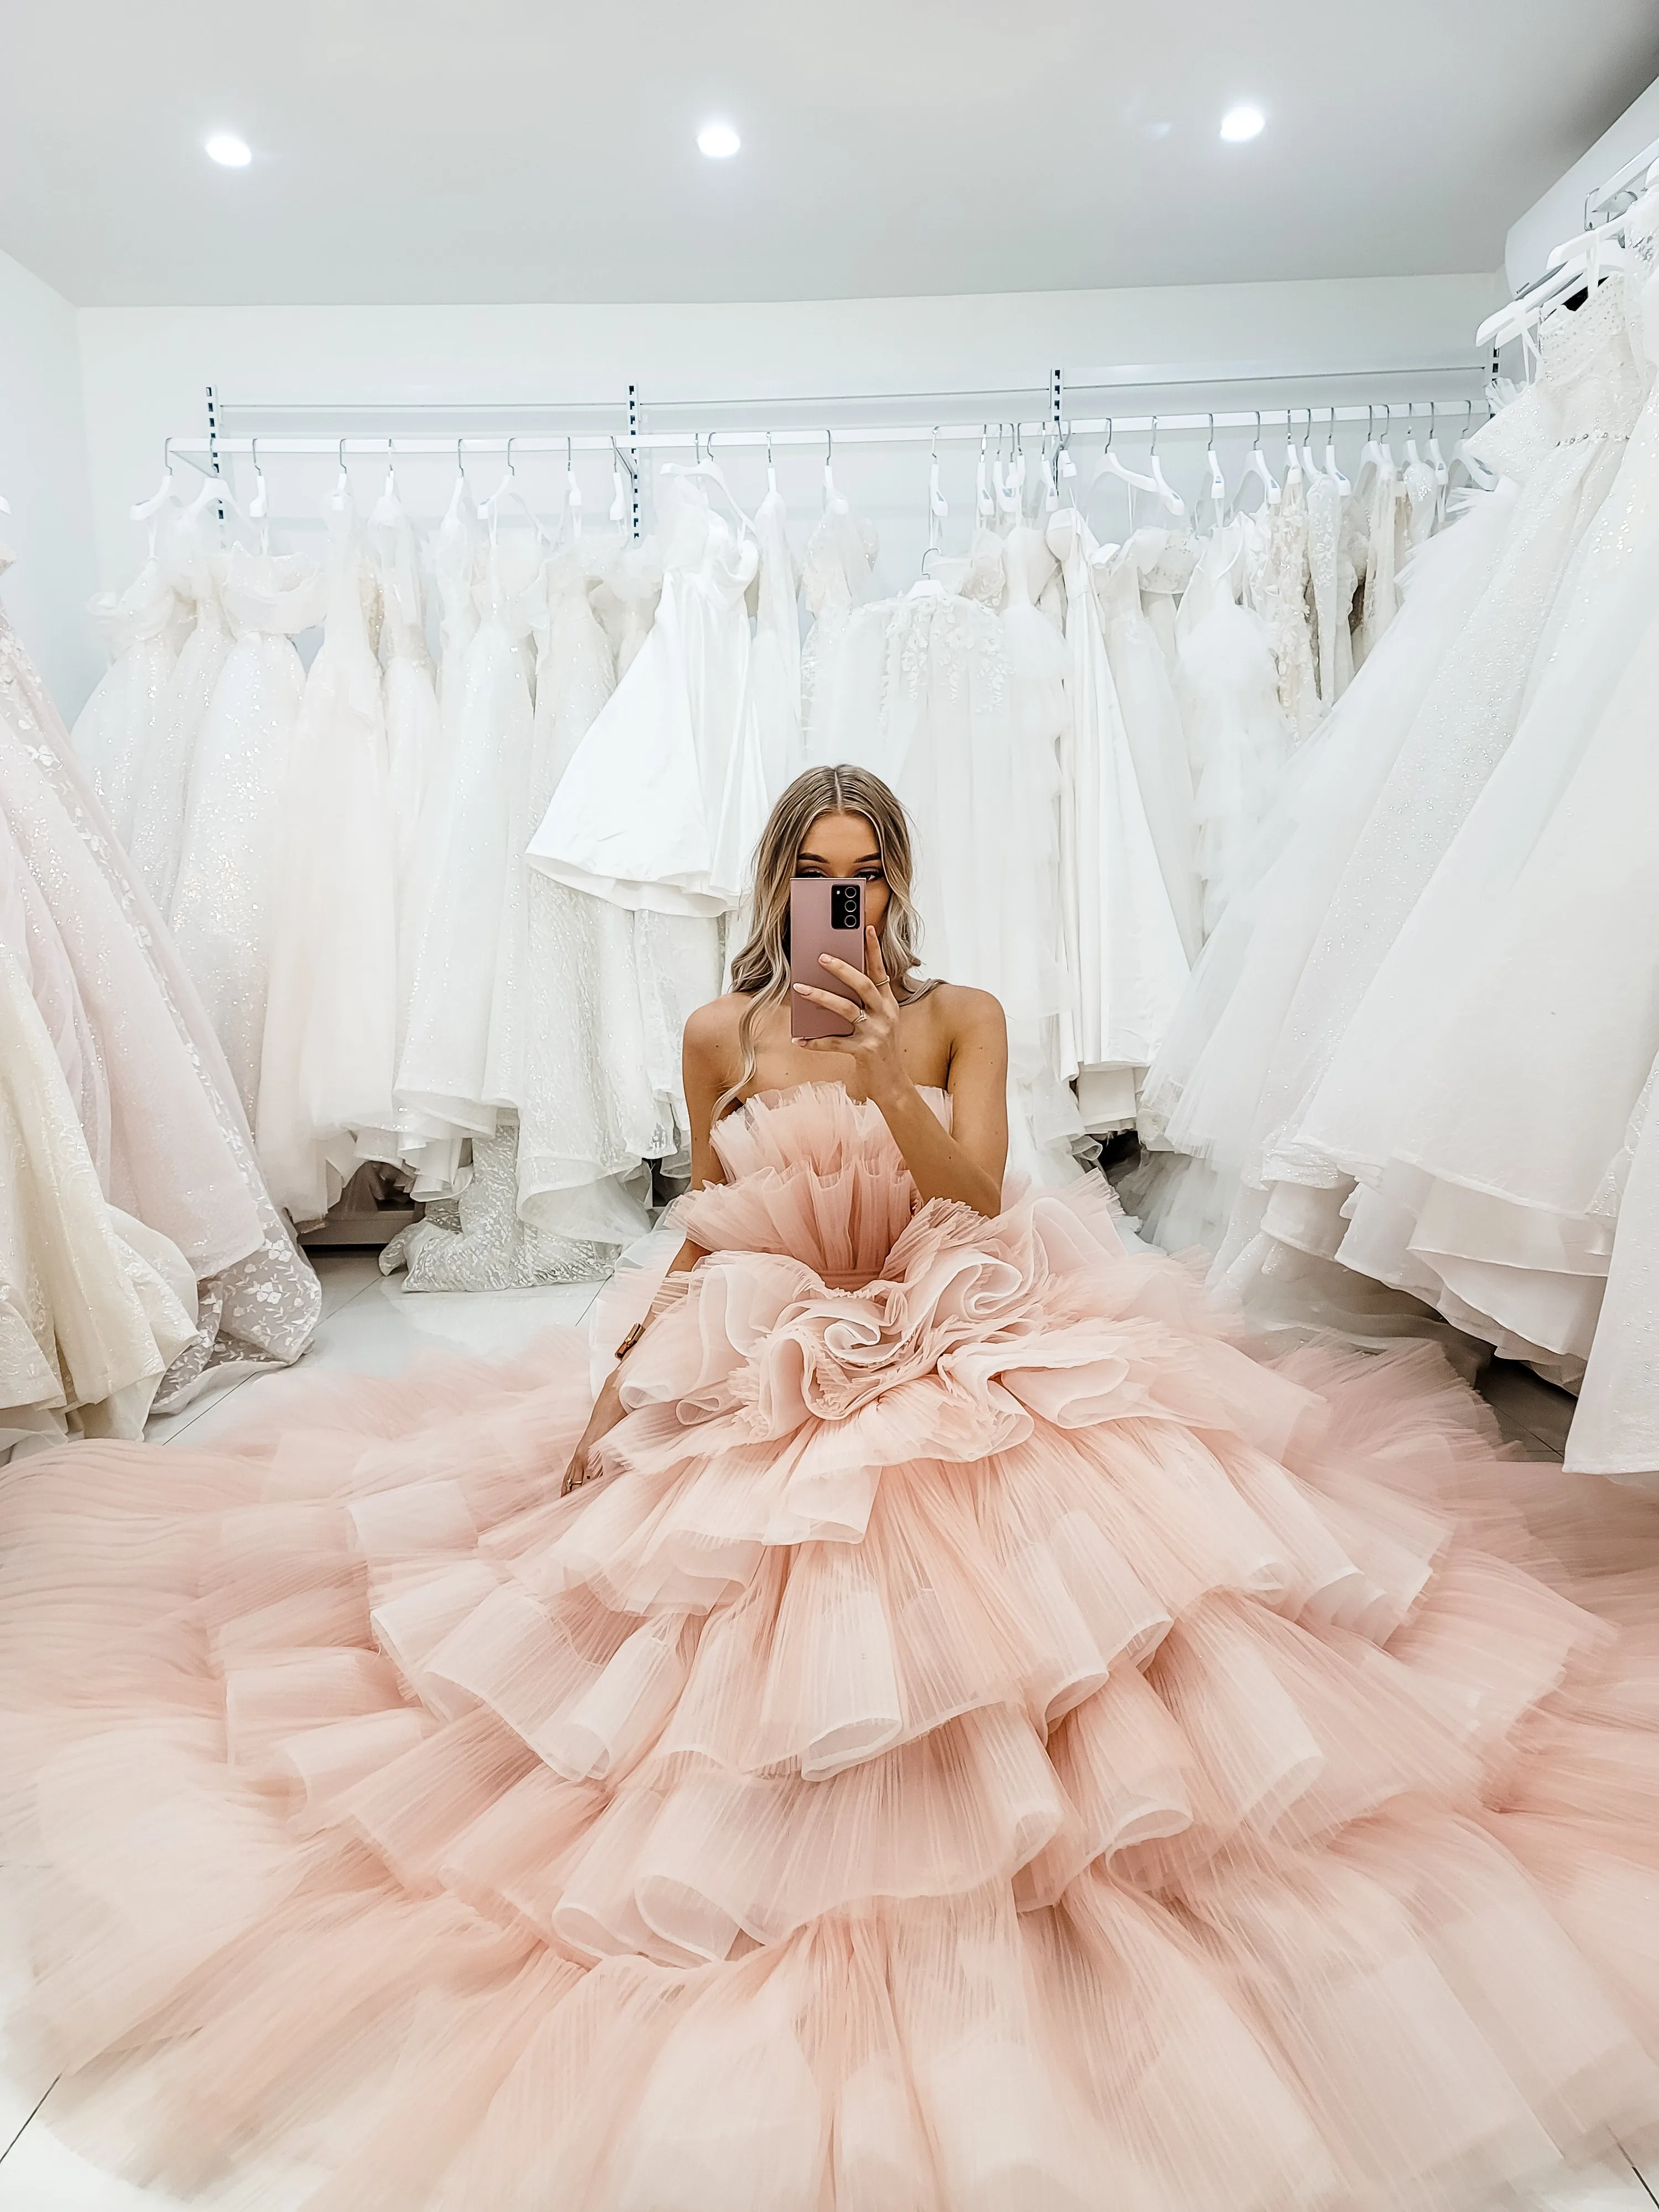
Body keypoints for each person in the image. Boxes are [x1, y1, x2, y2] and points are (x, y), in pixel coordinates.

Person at [4, 763, 1659, 2212]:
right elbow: (709, 1213)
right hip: (772, 1327)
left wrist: (879, 1069)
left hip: (960, 1311)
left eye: (866, 873)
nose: (841, 899)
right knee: (661, 1599)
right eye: (816, 873)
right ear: (777, 883)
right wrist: (626, 1373)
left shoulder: (959, 1019)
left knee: (1064, 1578)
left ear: (901, 884)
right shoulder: (719, 1027)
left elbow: (979, 1188)